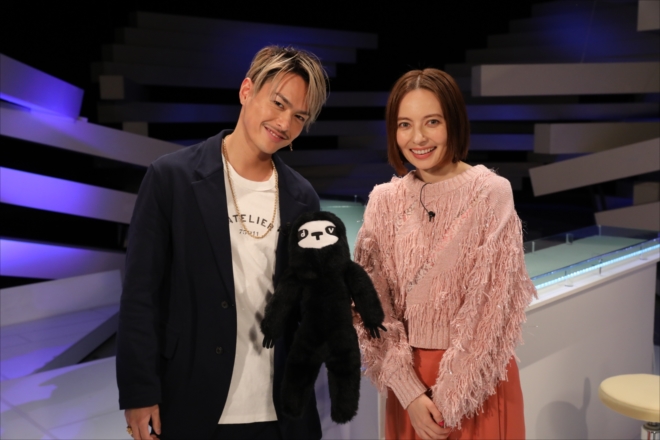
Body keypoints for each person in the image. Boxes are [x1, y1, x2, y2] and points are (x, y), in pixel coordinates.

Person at [116, 46, 329, 440]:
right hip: (190, 400)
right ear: (247, 90)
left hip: (279, 413)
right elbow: (139, 295)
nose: (285, 123)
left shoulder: (303, 198)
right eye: (278, 103)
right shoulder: (171, 179)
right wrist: (139, 391)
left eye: (299, 116)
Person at [353, 68, 536, 440]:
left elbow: (493, 307)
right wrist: (410, 393)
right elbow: (369, 304)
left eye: (432, 122)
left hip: (477, 385)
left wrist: (450, 401)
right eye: (405, 124)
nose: (418, 137)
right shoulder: (383, 202)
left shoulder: (491, 193)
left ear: (454, 122)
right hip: (410, 387)